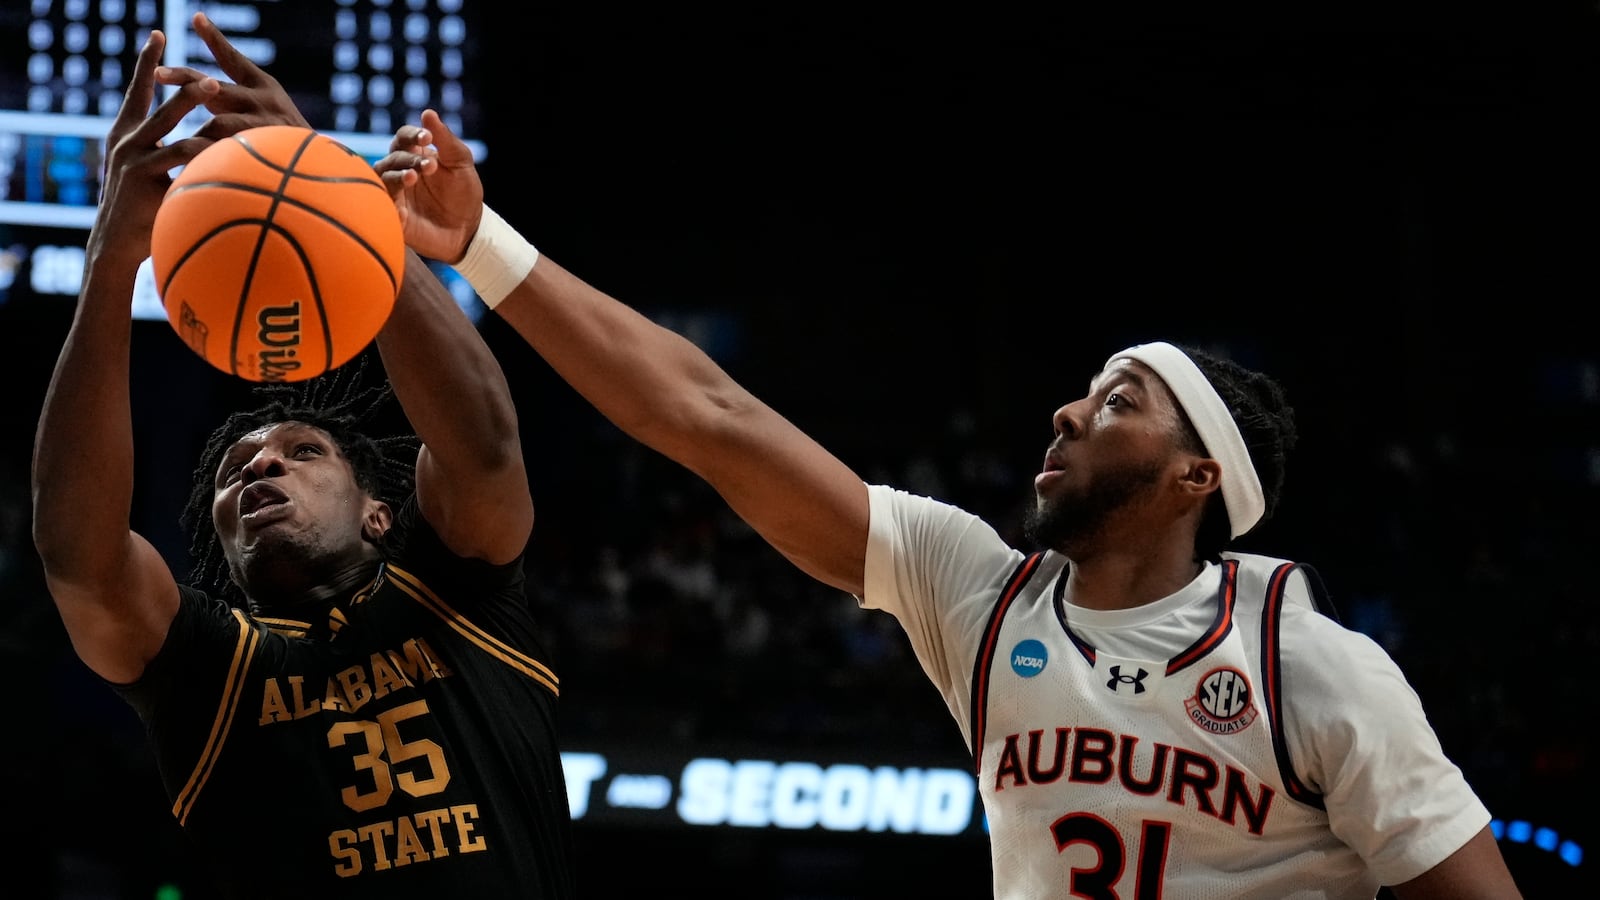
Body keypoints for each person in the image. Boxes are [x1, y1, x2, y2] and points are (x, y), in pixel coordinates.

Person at [373, 111, 1525, 899]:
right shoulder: (977, 589)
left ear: (1196, 477)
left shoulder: (1308, 664)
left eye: (1116, 403)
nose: (1066, 416)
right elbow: (705, 416)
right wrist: (478, 242)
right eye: (1078, 394)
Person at [30, 17, 575, 899]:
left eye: (303, 450)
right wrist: (110, 259)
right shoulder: (209, 671)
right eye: (233, 472)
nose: (258, 467)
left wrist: (337, 204)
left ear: (379, 511)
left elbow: (482, 444)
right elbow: (79, 561)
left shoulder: (457, 592)